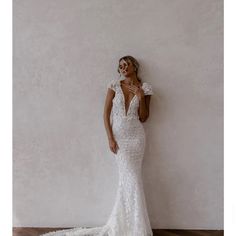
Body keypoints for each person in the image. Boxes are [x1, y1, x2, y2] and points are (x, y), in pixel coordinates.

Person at [40, 55, 154, 236]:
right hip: (120, 138)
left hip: (136, 139)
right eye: (120, 66)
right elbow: (105, 114)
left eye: (126, 65)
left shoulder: (145, 88)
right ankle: (130, 226)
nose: (123, 68)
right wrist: (110, 138)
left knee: (133, 178)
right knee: (129, 178)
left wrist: (140, 96)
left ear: (135, 66)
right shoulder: (114, 86)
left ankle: (134, 227)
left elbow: (144, 118)